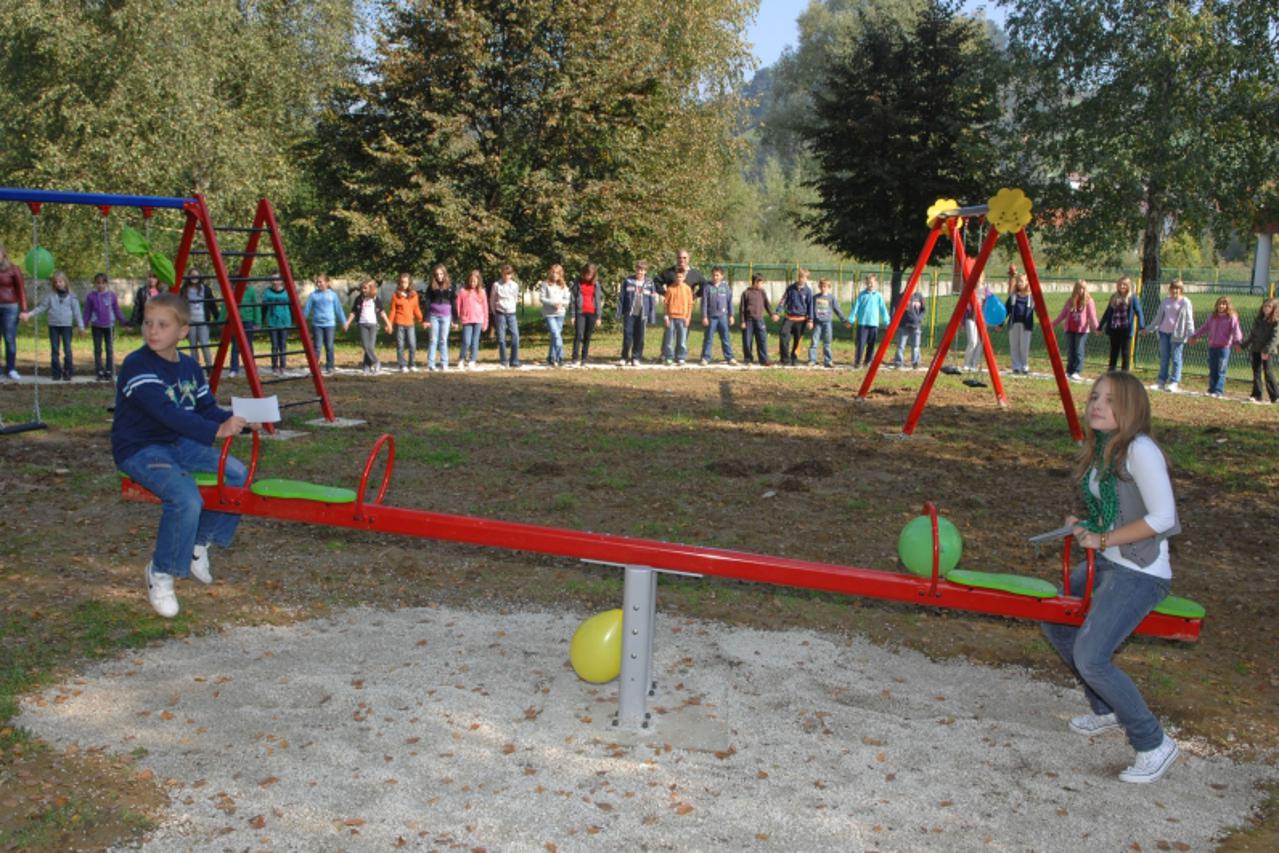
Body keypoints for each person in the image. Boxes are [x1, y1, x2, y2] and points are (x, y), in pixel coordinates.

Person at [1042, 370, 1181, 784]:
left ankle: (1153, 742)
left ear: (1132, 409)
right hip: (1111, 560)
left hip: (1140, 571)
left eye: (1110, 400)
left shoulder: (1141, 450)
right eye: (1095, 397)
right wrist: (1084, 525)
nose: (1097, 406)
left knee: (1092, 655)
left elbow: (1162, 518)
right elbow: (1116, 512)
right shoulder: (1104, 449)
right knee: (1055, 619)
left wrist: (1101, 540)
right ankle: (1105, 709)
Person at [112, 292, 253, 618]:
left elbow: (205, 409)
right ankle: (160, 572)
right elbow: (165, 412)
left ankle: (197, 544)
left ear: (182, 331)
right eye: (148, 323)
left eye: (162, 324)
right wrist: (215, 431)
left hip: (177, 443)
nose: (152, 331)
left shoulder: (189, 367)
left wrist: (242, 421)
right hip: (141, 448)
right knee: (186, 498)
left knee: (235, 474)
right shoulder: (137, 365)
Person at [22, 270, 85, 380]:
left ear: (65, 282)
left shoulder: (72, 297)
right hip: (53, 325)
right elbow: (41, 308)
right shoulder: (51, 296)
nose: (58, 284)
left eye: (60, 281)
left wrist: (81, 327)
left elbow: (77, 313)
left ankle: (68, 371)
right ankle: (56, 372)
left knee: (67, 349)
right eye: (56, 282)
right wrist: (29, 314)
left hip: (66, 326)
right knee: (54, 349)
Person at [1142, 279, 1194, 393]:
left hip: (1178, 335)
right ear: (1170, 289)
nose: (1175, 290)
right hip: (1163, 333)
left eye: (1177, 288)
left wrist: (1191, 334)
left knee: (1176, 358)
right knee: (1164, 358)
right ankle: (1161, 381)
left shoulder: (1185, 302)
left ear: (1181, 290)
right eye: (1173, 288)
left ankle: (1174, 382)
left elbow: (1189, 320)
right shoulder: (1165, 301)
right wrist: (1149, 329)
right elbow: (1158, 318)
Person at [1187, 296, 1242, 398]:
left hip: (1224, 348)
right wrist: (1195, 335)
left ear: (1228, 306)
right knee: (1213, 369)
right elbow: (1205, 327)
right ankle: (1211, 389)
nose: (1221, 306)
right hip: (1212, 346)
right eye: (1219, 304)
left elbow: (1236, 330)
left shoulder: (1231, 317)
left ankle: (1218, 391)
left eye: (1224, 304)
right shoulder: (1213, 317)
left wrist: (1237, 342)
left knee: (1221, 370)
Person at [1052, 279, 1099, 381]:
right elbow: (1063, 314)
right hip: (1070, 329)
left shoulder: (1089, 301)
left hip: (1081, 331)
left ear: (1085, 289)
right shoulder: (1070, 300)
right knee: (1070, 351)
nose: (1080, 290)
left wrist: (1096, 328)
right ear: (1075, 289)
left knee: (1078, 350)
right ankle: (1069, 371)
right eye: (1078, 288)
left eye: (1083, 288)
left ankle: (1077, 371)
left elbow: (1092, 316)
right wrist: (1053, 324)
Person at [84, 272, 127, 381]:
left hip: (109, 326)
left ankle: (109, 370)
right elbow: (87, 311)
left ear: (106, 284)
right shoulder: (91, 297)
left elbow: (116, 309)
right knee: (98, 349)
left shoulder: (111, 295)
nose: (100, 285)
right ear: (95, 284)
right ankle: (99, 370)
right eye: (98, 283)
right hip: (96, 326)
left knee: (109, 349)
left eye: (103, 283)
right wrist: (84, 324)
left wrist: (122, 321)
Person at [344, 279, 390, 374]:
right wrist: (347, 323)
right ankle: (376, 362)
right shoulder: (358, 299)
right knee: (366, 346)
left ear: (371, 289)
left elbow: (382, 312)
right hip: (362, 325)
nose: (363, 290)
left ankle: (366, 366)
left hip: (373, 325)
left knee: (370, 347)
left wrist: (388, 324)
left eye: (365, 288)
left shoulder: (376, 299)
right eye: (362, 288)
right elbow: (353, 312)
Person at [1098, 276, 1144, 372]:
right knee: (1114, 351)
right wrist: (1100, 326)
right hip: (1114, 328)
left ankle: (1125, 372)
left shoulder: (1132, 298)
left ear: (1128, 286)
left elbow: (1139, 312)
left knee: (1125, 352)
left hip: (1126, 330)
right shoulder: (1114, 297)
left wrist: (1141, 326)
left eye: (1124, 285)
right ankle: (1111, 370)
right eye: (1120, 284)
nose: (1122, 286)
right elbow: (1108, 312)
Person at [302, 274, 343, 375]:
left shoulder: (333, 295)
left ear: (327, 282)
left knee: (329, 346)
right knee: (317, 346)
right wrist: (302, 320)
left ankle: (330, 366)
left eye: (321, 281)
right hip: (317, 325)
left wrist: (344, 322)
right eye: (317, 282)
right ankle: (315, 367)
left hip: (330, 325)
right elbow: (307, 309)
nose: (318, 283)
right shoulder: (313, 295)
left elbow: (338, 309)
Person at [1241, 298, 1278, 404]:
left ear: (1274, 308)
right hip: (1256, 349)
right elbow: (1253, 335)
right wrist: (1243, 345)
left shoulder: (1275, 322)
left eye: (1269, 306)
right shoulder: (1259, 320)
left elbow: (1275, 338)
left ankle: (1275, 396)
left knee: (1268, 372)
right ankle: (1257, 395)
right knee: (1256, 372)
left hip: (1267, 352)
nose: (1266, 308)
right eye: (1265, 306)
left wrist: (1266, 351)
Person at [0, 243, 29, 380]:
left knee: (9, 338)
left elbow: (21, 290)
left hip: (10, 307)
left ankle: (11, 368)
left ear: (3, 254)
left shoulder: (13, 269)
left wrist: (24, 309)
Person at [181, 270, 220, 371]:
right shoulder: (184, 289)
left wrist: (217, 318)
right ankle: (196, 367)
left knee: (204, 344)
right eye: (192, 275)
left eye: (196, 275)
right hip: (190, 322)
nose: (194, 277)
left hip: (203, 320)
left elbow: (212, 304)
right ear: (188, 277)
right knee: (193, 346)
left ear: (199, 277)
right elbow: (179, 305)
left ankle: (209, 367)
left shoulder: (205, 289)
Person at [617, 261, 652, 366]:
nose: (640, 272)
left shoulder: (650, 283)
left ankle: (636, 357)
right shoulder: (628, 281)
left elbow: (652, 301)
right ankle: (624, 357)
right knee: (627, 335)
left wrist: (651, 315)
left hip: (643, 313)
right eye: (638, 269)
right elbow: (621, 298)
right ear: (635, 270)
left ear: (645, 271)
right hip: (630, 313)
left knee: (640, 336)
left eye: (642, 270)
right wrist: (619, 312)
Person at [699, 266, 736, 365]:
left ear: (722, 276)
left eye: (717, 275)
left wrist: (731, 315)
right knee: (708, 338)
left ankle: (730, 357)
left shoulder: (726, 287)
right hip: (711, 317)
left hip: (723, 317)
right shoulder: (707, 287)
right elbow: (704, 303)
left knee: (725, 337)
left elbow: (730, 302)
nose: (715, 277)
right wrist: (704, 317)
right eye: (713, 275)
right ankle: (706, 357)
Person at [775, 270, 814, 366]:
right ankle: (785, 359)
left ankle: (794, 358)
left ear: (807, 279)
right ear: (798, 277)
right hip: (789, 317)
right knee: (783, 335)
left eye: (804, 277)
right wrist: (778, 312)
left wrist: (810, 320)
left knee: (798, 340)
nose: (802, 279)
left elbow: (810, 306)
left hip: (801, 319)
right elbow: (783, 300)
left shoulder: (808, 291)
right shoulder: (790, 288)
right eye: (800, 277)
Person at [422, 264, 456, 372]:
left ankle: (444, 363)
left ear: (445, 274)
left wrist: (455, 320)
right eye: (437, 274)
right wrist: (426, 319)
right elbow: (427, 303)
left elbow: (454, 303)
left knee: (443, 340)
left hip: (446, 316)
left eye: (441, 274)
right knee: (433, 339)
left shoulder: (451, 287)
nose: (439, 276)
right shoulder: (431, 287)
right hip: (433, 316)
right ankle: (431, 364)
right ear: (434, 276)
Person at [807, 278, 848, 368]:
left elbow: (837, 310)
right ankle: (812, 360)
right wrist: (810, 320)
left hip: (827, 323)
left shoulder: (831, 298)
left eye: (825, 286)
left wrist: (844, 320)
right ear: (819, 287)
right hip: (817, 323)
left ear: (829, 287)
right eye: (821, 286)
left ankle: (828, 360)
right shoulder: (815, 297)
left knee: (827, 342)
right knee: (814, 342)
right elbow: (810, 310)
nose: (823, 288)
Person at [388, 272, 424, 373]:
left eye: (406, 282)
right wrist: (389, 323)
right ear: (399, 283)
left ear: (409, 283)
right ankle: (402, 365)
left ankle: (412, 364)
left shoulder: (414, 295)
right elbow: (392, 311)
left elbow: (416, 309)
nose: (404, 284)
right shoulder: (395, 295)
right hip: (399, 323)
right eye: (402, 282)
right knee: (400, 344)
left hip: (410, 324)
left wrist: (422, 320)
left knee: (413, 344)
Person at [850, 275, 888, 367]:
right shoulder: (862, 295)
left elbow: (883, 309)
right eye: (868, 283)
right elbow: (856, 307)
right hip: (863, 323)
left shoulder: (878, 295)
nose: (870, 284)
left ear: (875, 283)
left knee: (871, 344)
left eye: (872, 282)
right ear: (865, 283)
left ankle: (868, 361)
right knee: (861, 344)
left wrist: (887, 320)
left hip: (874, 324)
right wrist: (851, 318)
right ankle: (858, 361)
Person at [539, 263, 571, 367]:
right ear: (550, 272)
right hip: (549, 314)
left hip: (560, 313)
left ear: (560, 274)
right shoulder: (545, 284)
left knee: (555, 336)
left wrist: (561, 304)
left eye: (557, 272)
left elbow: (567, 299)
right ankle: (561, 356)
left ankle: (551, 357)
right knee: (556, 334)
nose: (554, 274)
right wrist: (553, 303)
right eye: (553, 272)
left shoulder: (563, 285)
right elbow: (542, 298)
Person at [1002, 274, 1035, 375]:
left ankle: (1024, 366)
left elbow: (1039, 310)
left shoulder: (1031, 297)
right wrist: (1000, 323)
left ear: (1027, 283)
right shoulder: (1013, 296)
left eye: (1022, 281)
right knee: (1014, 345)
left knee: (1024, 346)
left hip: (1026, 325)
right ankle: (1016, 366)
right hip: (1014, 324)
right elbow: (1006, 311)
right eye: (1018, 281)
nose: (1020, 283)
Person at [490, 265, 522, 367]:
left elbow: (515, 298)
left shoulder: (515, 285)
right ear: (501, 273)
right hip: (500, 313)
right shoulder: (496, 285)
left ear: (511, 275)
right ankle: (504, 360)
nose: (506, 276)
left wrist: (512, 307)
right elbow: (492, 299)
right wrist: (494, 311)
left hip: (511, 313)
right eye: (504, 274)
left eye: (508, 274)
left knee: (515, 336)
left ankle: (514, 360)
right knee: (501, 337)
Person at [260, 276, 292, 376]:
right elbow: (263, 307)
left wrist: (294, 320)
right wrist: (261, 320)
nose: (275, 281)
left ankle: (282, 366)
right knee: (274, 345)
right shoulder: (267, 292)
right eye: (273, 279)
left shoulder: (287, 291)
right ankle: (274, 366)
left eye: (277, 279)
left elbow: (292, 306)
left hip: (284, 321)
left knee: (282, 344)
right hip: (272, 321)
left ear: (281, 281)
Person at [570, 263, 600, 367]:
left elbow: (598, 300)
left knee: (588, 336)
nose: (588, 276)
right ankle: (574, 358)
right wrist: (573, 315)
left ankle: (584, 359)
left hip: (592, 313)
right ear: (583, 273)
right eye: (587, 274)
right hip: (580, 312)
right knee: (578, 335)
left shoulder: (596, 284)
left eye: (590, 275)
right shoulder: (577, 282)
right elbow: (573, 299)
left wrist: (598, 316)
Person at [457, 270, 489, 368]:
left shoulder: (482, 292)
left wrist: (485, 322)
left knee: (475, 341)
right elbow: (458, 305)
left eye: (475, 281)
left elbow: (485, 308)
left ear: (478, 281)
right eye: (471, 281)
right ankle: (462, 358)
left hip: (478, 320)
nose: (472, 283)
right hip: (467, 320)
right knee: (467, 341)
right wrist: (459, 316)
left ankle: (472, 360)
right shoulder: (463, 292)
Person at [228, 282, 261, 378]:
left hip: (248, 321)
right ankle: (234, 369)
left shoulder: (251, 290)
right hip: (236, 320)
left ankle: (251, 368)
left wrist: (257, 321)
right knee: (235, 345)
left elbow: (256, 306)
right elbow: (227, 305)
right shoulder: (233, 290)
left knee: (249, 345)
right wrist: (222, 320)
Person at [738, 273, 771, 366]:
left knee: (762, 339)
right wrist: (742, 321)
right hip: (748, 321)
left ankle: (764, 359)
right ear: (756, 282)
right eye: (761, 282)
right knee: (747, 340)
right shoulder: (746, 293)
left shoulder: (762, 292)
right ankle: (748, 359)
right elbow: (742, 309)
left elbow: (767, 304)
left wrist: (772, 314)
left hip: (760, 320)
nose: (762, 285)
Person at [662, 269, 693, 365]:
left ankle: (681, 357)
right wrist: (666, 317)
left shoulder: (687, 289)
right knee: (669, 340)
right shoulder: (670, 289)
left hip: (683, 318)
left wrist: (688, 318)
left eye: (681, 277)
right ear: (675, 277)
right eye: (677, 277)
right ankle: (669, 357)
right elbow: (666, 304)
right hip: (671, 318)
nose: (679, 278)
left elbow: (690, 305)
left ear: (684, 278)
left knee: (682, 340)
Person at [892, 288, 927, 370]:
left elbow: (923, 309)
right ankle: (898, 362)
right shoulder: (902, 296)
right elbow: (896, 308)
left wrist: (919, 318)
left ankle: (916, 362)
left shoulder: (919, 296)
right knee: (901, 345)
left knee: (916, 346)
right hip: (903, 325)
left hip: (916, 325)